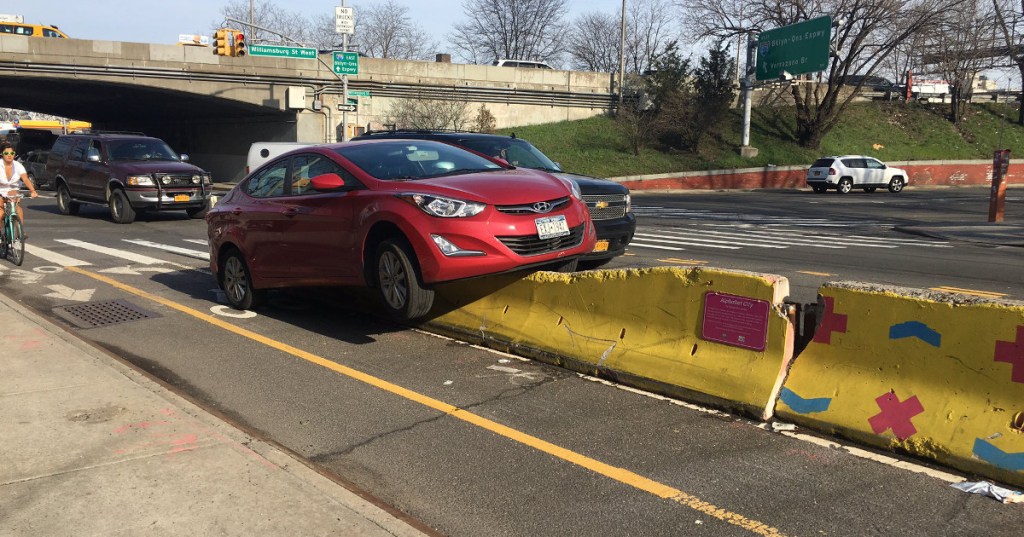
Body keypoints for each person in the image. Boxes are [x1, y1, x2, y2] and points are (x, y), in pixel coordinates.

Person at [1, 142, 39, 226]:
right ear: (2, 154)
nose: (9, 155)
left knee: (17, 205)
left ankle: (20, 231)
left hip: (13, 188)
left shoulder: (18, 165)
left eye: (12, 153)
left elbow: (25, 179)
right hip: (0, 189)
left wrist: (33, 191)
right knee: (0, 212)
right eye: (6, 153)